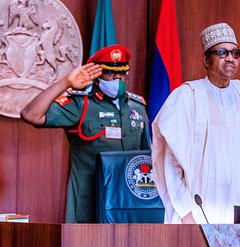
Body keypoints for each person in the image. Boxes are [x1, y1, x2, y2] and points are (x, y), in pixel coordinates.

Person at [151, 23, 240, 224]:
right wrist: (186, 213)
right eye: (222, 52)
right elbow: (169, 164)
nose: (230, 58)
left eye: (235, 53)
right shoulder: (185, 98)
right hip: (198, 215)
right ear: (205, 59)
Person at [21, 45, 152, 223]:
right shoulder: (81, 105)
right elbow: (31, 115)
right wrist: (65, 82)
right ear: (96, 76)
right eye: (110, 73)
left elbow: (146, 157)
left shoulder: (137, 107)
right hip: (90, 200)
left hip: (128, 201)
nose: (117, 78)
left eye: (121, 73)